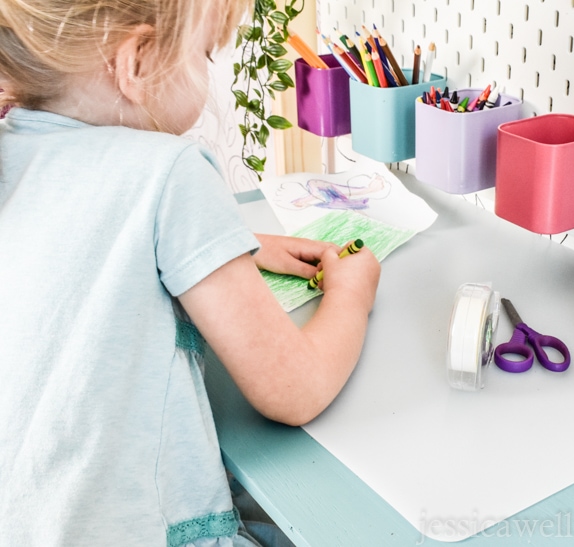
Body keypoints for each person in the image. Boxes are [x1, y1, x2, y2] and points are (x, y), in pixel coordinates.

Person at [0, 1, 381, 545]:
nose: (209, 72)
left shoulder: (12, 151)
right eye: (205, 53)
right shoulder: (169, 170)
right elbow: (296, 390)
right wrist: (352, 293)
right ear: (137, 62)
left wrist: (230, 247)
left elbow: (87, 246)